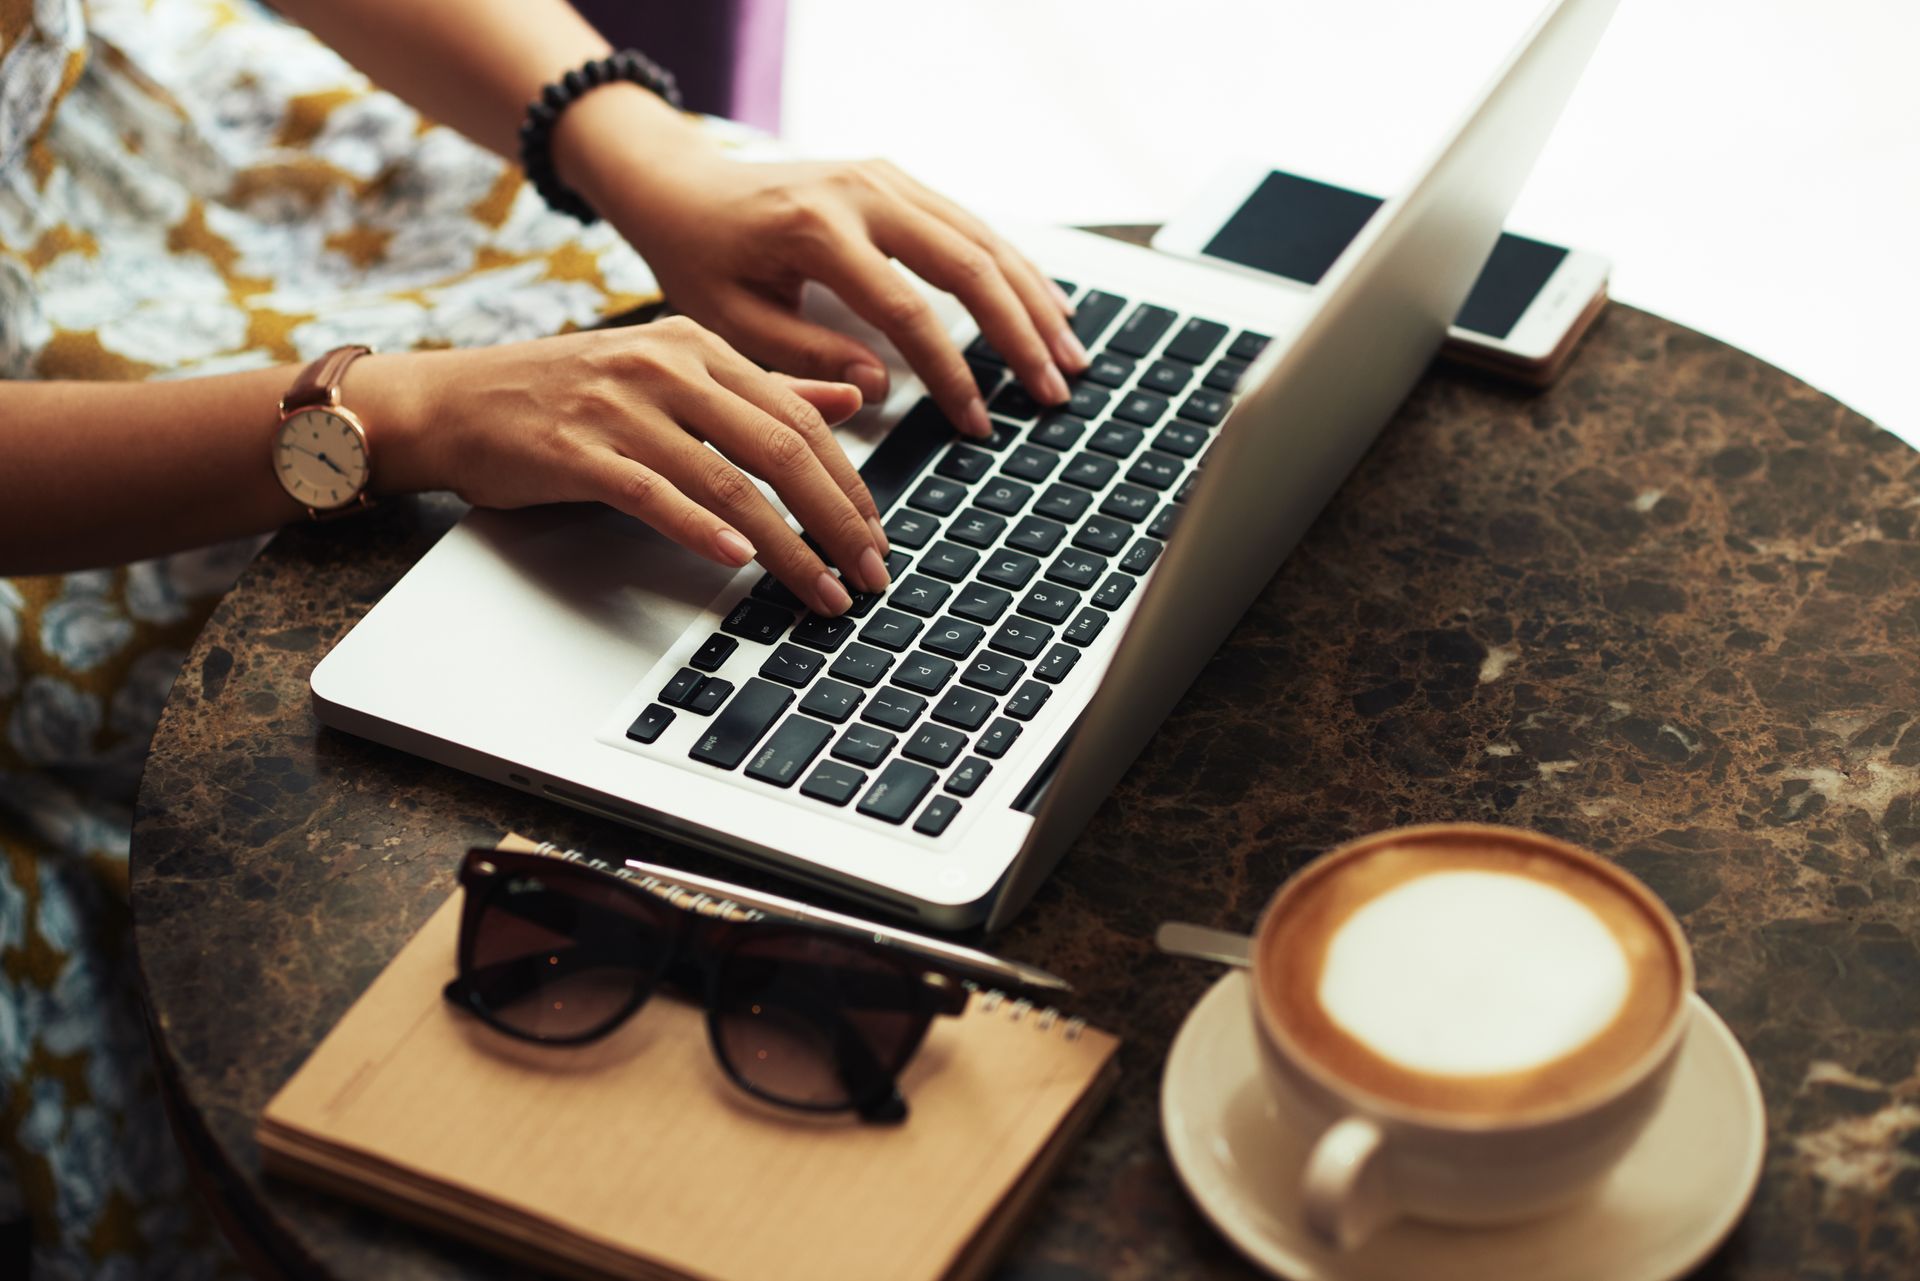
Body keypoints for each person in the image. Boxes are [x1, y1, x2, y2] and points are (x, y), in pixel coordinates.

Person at [0, 0, 1086, 1273]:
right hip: (66, 462)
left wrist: (638, 144)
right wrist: (397, 414)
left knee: (800, 379)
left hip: (177, 140)